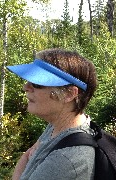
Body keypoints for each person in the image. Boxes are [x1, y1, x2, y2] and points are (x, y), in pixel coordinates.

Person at [7, 48, 97, 180]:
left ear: (69, 94)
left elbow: (27, 158)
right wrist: (26, 157)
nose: (25, 87)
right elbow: (27, 156)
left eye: (37, 83)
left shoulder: (66, 160)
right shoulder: (57, 127)